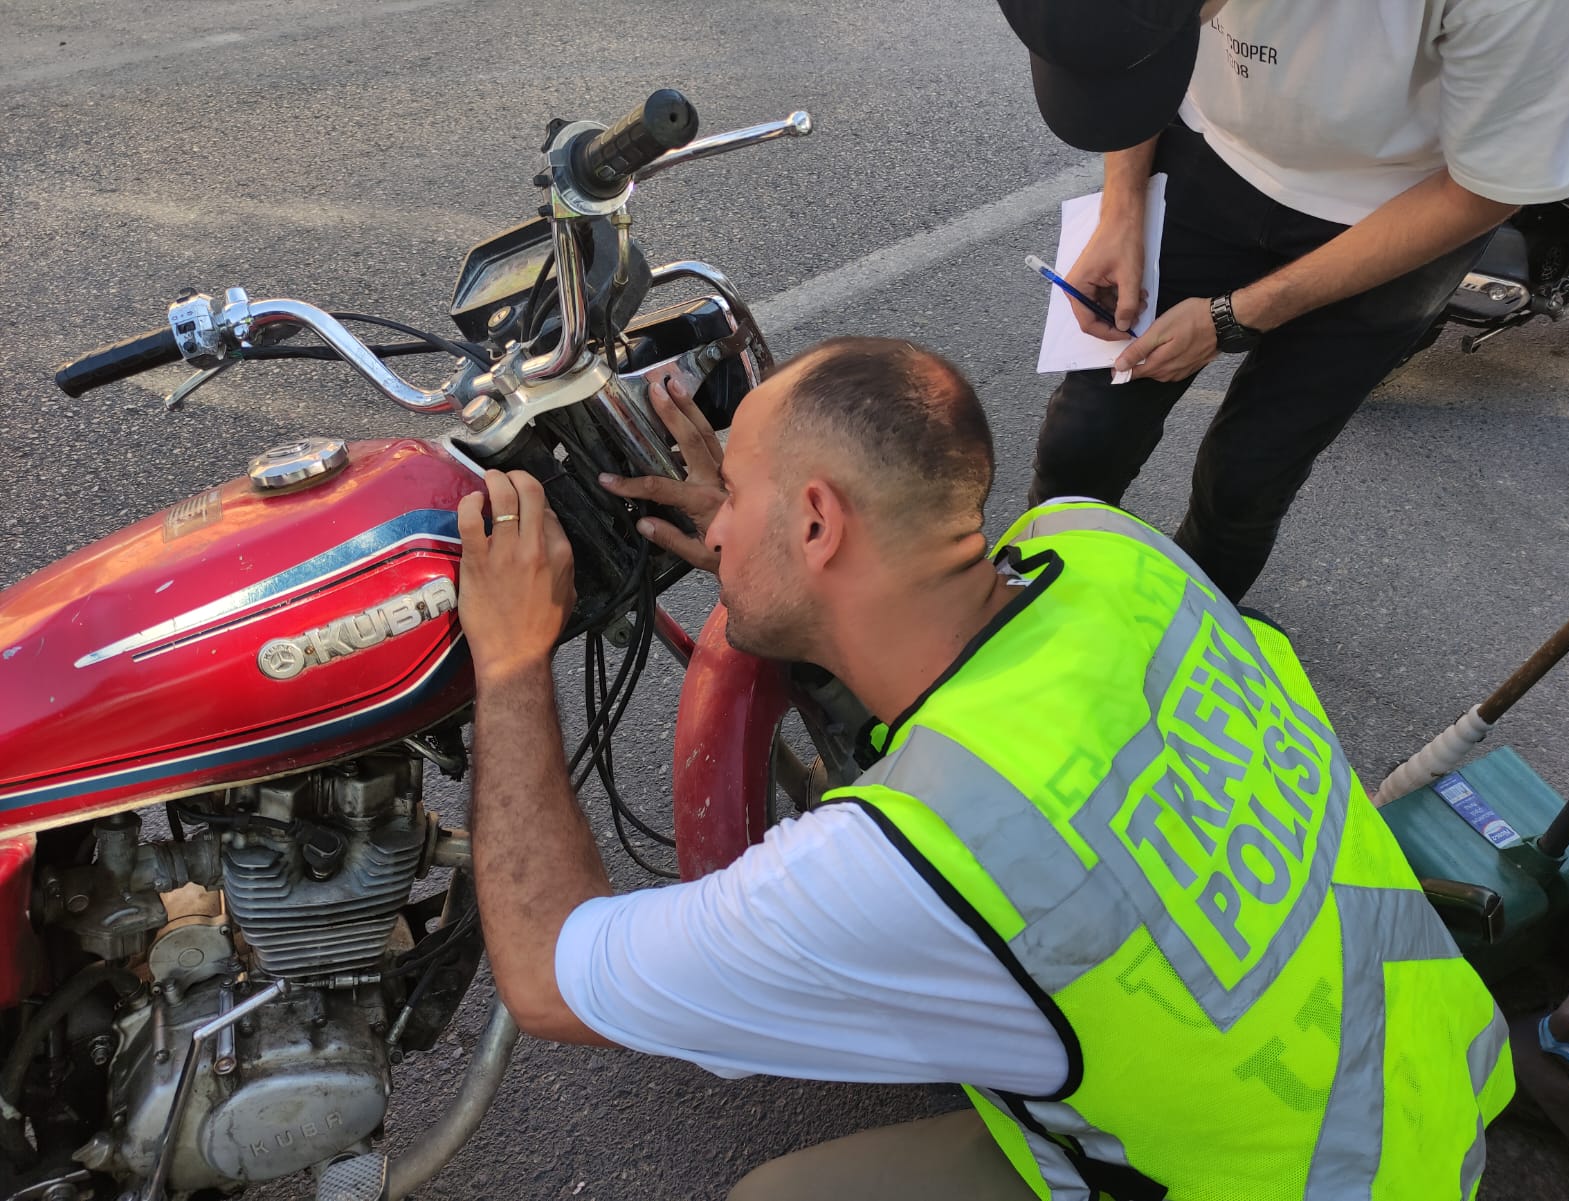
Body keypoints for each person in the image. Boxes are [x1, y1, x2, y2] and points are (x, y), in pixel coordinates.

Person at [455, 337, 1511, 1200]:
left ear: (818, 521)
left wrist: (510, 660)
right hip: (1428, 1096)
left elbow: (552, 975)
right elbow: (959, 678)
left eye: (732, 492)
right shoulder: (1102, 547)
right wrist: (769, 563)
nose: (713, 516)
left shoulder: (908, 857)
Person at [998, 0, 1569, 602]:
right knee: (1081, 439)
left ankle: (1186, 642)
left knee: (1245, 478)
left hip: (1402, 211)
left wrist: (1233, 318)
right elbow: (1125, 58)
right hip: (1213, 158)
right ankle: (1039, 611)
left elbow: (1483, 193)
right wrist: (1121, 209)